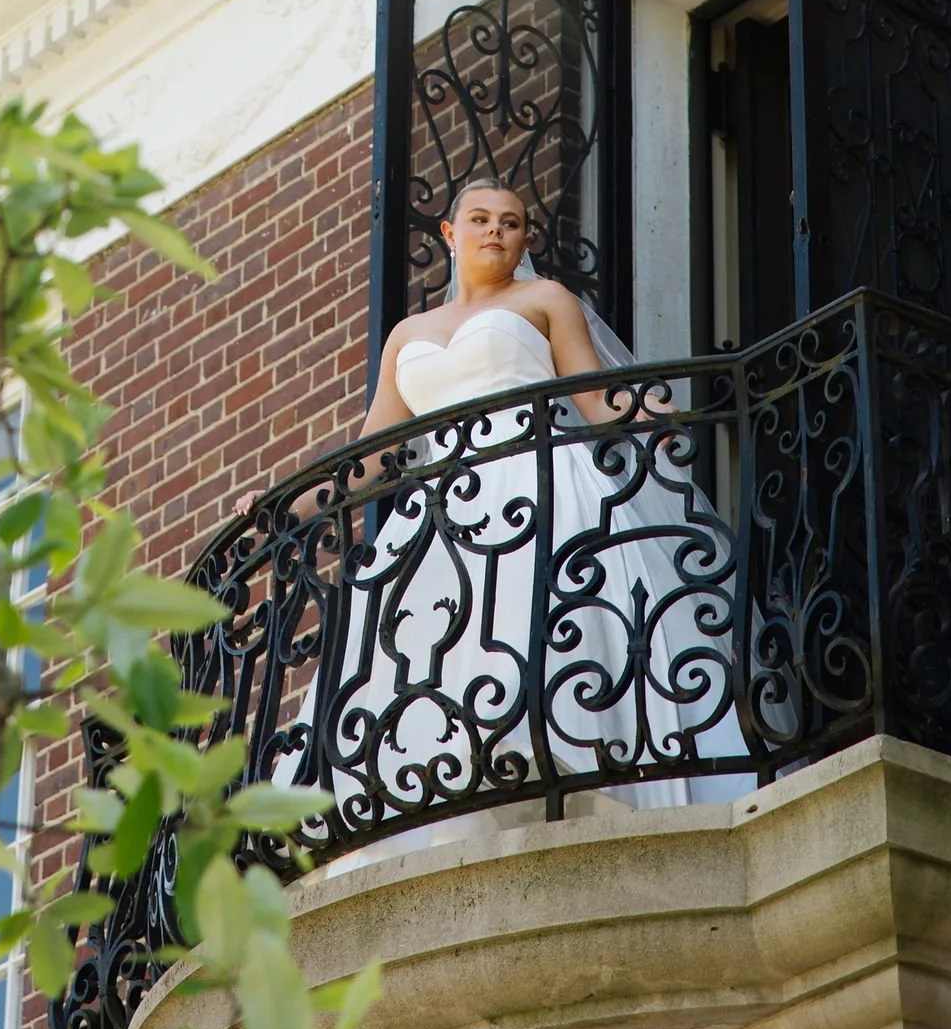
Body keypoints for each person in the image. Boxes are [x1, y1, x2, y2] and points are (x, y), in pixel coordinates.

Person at [315, 174, 748, 834]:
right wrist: (303, 504)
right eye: (481, 219)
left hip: (540, 481)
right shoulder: (408, 333)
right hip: (442, 510)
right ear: (449, 234)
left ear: (525, 239)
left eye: (512, 222)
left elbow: (594, 401)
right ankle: (456, 774)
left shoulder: (545, 298)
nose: (497, 230)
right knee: (441, 639)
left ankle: (563, 756)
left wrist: (657, 411)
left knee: (542, 617)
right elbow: (374, 449)